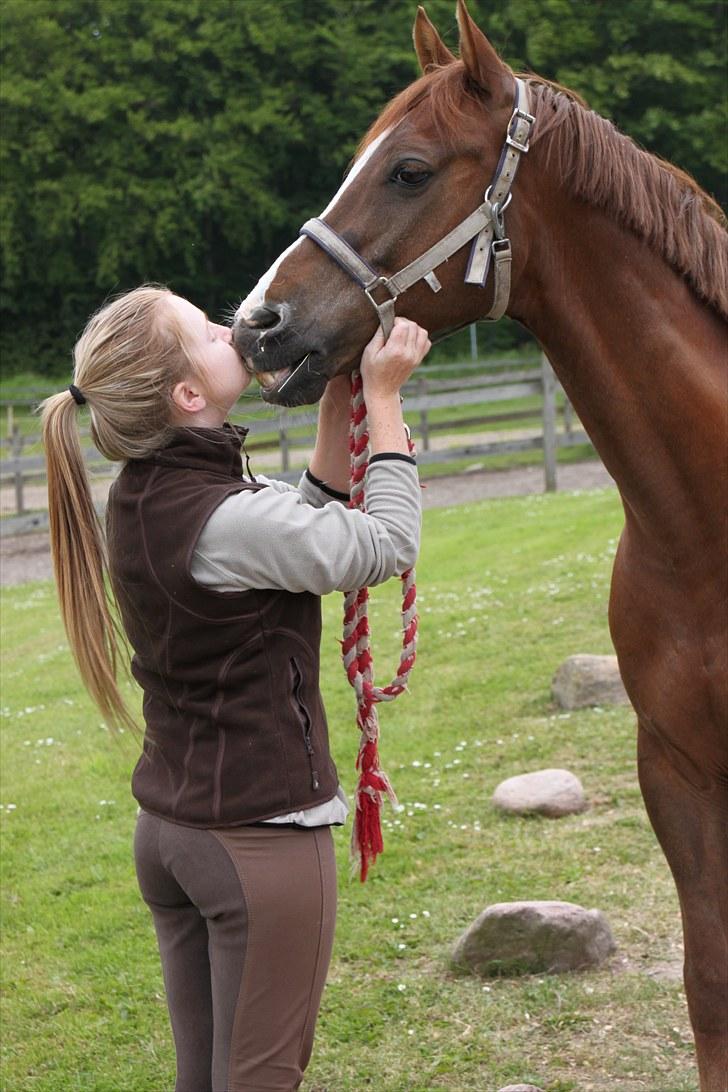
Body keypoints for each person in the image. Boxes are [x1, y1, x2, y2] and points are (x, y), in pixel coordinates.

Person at [40, 284, 430, 1092]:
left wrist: (336, 406)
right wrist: (385, 402)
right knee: (259, 1080)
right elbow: (385, 543)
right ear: (187, 395)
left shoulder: (148, 496)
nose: (232, 329)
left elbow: (294, 534)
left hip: (176, 834)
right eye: (210, 332)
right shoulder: (220, 514)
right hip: (257, 838)